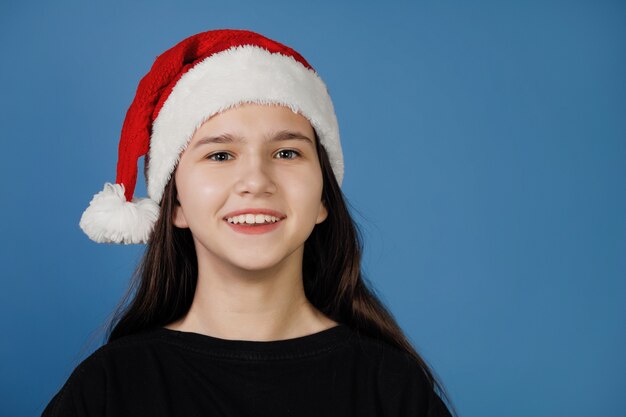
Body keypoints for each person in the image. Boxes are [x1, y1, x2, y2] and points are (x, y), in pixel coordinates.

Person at [42, 29, 456, 417]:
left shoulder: (391, 389)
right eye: (220, 155)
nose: (256, 182)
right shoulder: (108, 389)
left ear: (323, 199)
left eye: (287, 153)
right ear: (175, 206)